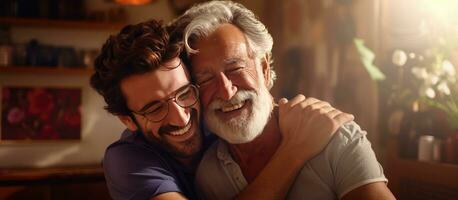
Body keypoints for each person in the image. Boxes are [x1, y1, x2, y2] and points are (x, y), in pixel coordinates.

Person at [91, 19, 354, 200]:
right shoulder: (127, 160)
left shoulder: (220, 113)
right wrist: (296, 151)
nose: (181, 116)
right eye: (155, 108)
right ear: (128, 121)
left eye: (184, 93)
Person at [169, 1, 396, 199]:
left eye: (235, 68)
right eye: (206, 79)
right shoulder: (209, 173)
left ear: (265, 68)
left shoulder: (335, 136)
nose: (226, 92)